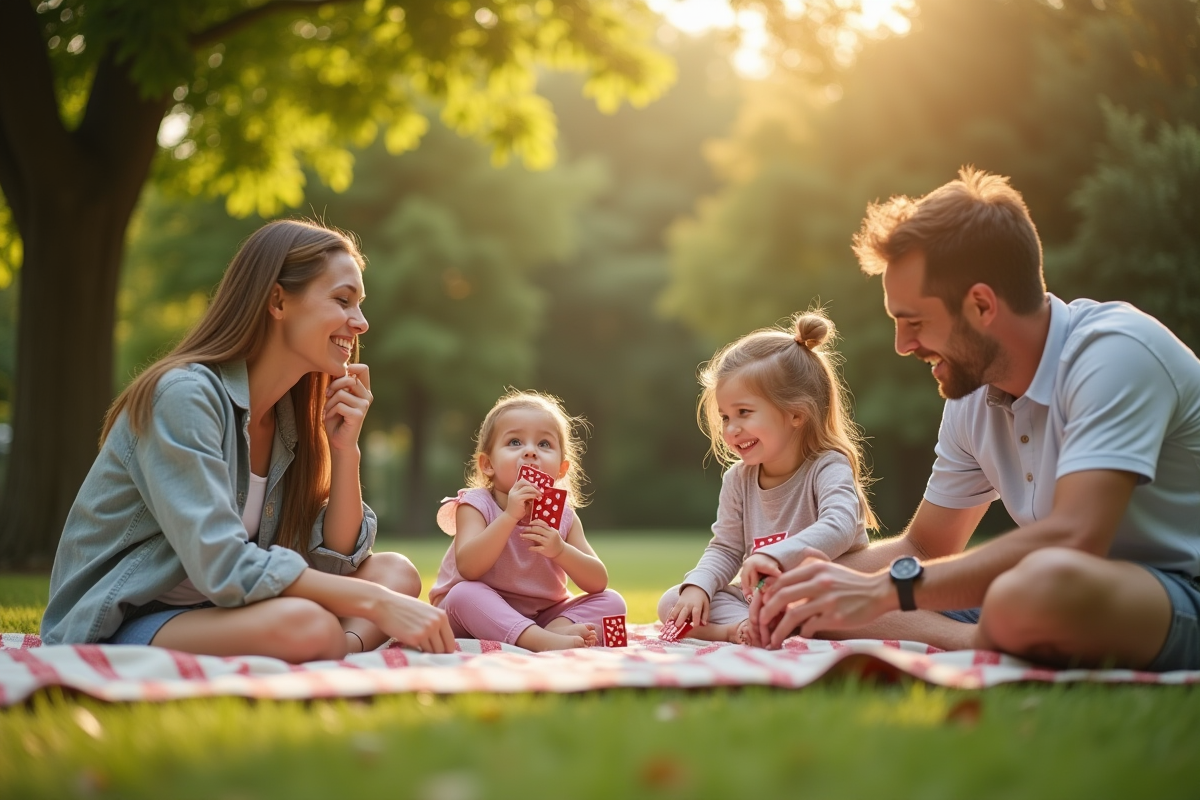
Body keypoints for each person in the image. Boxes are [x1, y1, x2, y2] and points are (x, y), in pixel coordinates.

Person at [752, 167, 1200, 672]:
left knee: (1038, 589)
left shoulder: (1116, 354)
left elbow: (1076, 536)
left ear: (982, 304)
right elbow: (926, 545)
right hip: (1048, 590)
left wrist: (883, 591)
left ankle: (990, 634)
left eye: (914, 322)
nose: (903, 346)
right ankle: (990, 637)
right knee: (814, 598)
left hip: (1176, 591)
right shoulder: (972, 394)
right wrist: (805, 576)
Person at [41, 219, 454, 660]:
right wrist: (376, 604)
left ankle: (343, 651)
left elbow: (338, 560)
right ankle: (328, 645)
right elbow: (223, 563)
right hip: (130, 616)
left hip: (222, 609)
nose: (362, 323)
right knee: (312, 625)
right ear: (277, 300)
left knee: (396, 572)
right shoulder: (184, 397)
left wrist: (344, 449)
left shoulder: (289, 417)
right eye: (343, 300)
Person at [658, 310, 876, 644]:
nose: (731, 429)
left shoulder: (827, 466)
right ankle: (740, 629)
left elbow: (841, 525)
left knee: (854, 603)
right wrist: (698, 585)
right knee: (674, 601)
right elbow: (727, 548)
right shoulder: (738, 480)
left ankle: (769, 623)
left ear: (795, 413)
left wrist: (774, 556)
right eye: (725, 417)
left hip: (826, 596)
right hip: (761, 601)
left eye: (744, 413)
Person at [428, 390, 626, 651]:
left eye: (544, 444)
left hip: (541, 613)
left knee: (612, 601)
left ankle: (550, 632)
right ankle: (539, 640)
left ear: (560, 469)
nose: (531, 452)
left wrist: (561, 550)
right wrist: (510, 516)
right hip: (473, 612)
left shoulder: (563, 516)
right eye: (515, 442)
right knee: (463, 594)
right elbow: (468, 568)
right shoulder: (476, 505)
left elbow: (597, 580)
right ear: (488, 464)